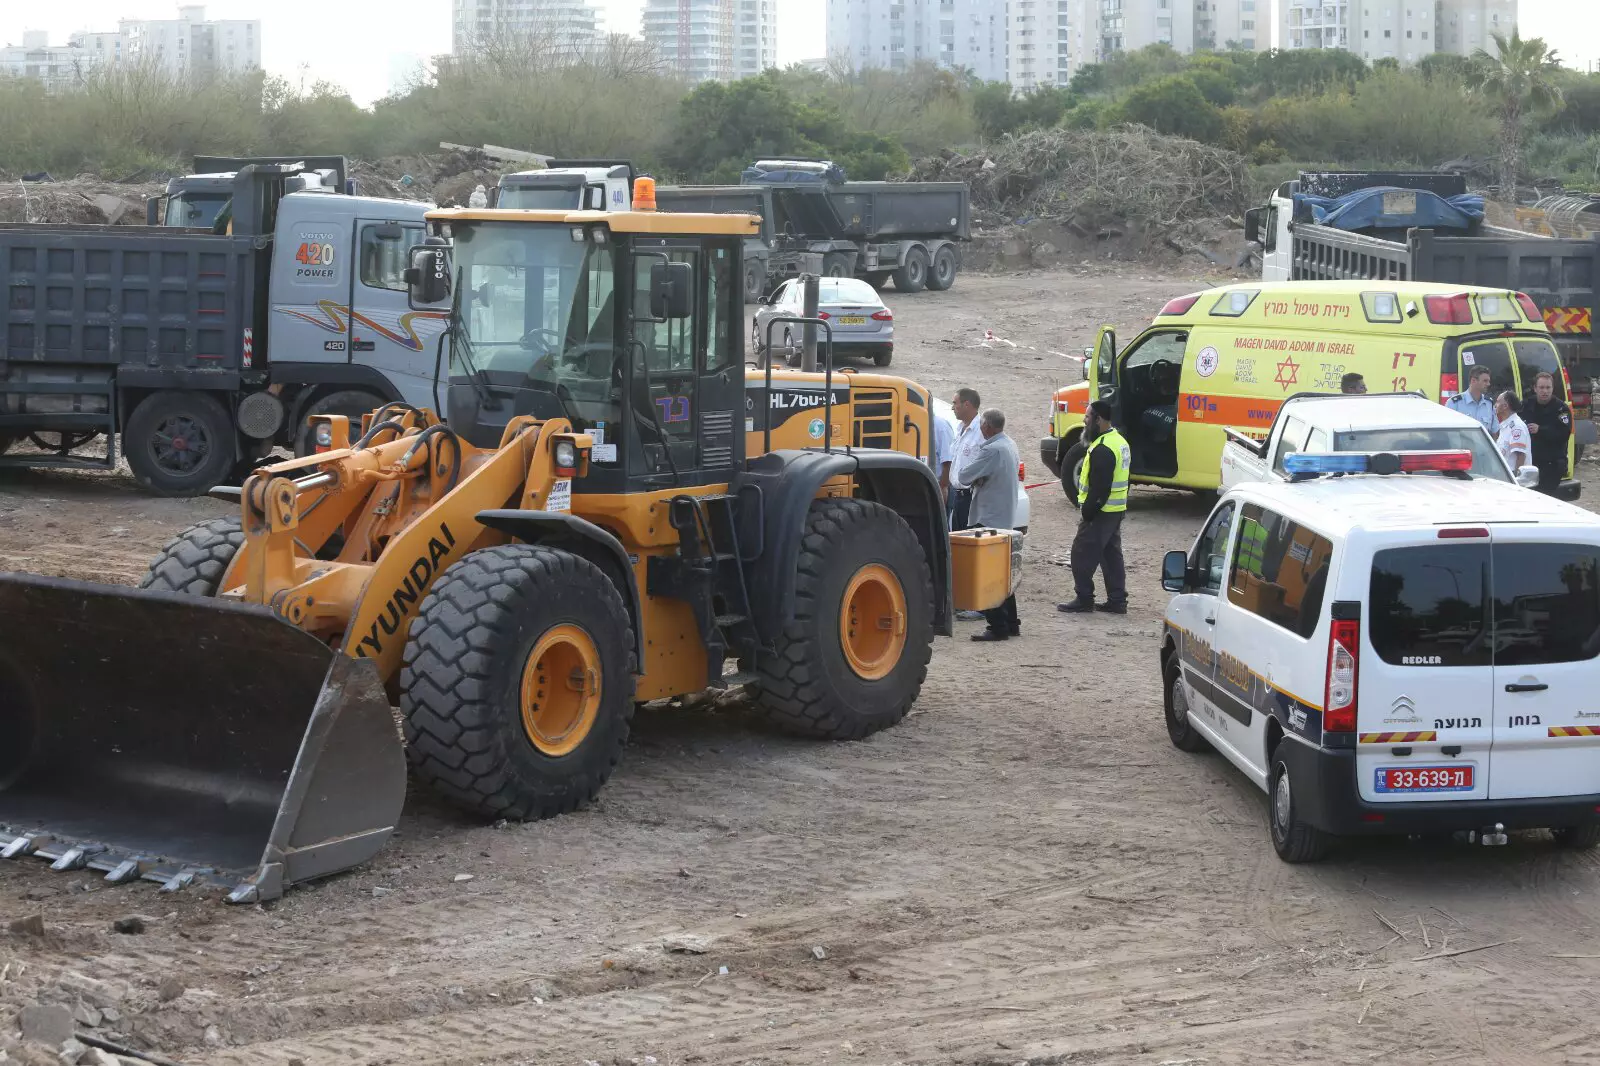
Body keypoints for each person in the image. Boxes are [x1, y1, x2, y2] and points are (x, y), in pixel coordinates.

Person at [1059, 399, 1130, 615]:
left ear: (1098, 420)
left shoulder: (1103, 449)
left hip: (1102, 513)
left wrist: (1088, 512)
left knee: (1080, 554)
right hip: (1115, 510)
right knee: (1111, 556)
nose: (1084, 420)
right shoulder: (1119, 441)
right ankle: (1117, 600)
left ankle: (1084, 598)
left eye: (1088, 416)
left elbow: (1100, 489)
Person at [957, 408, 1021, 641]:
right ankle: (1011, 622)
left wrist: (977, 477)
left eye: (983, 424)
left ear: (988, 427)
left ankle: (997, 626)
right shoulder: (1009, 444)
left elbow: (964, 476)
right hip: (1003, 516)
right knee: (1002, 574)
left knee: (988, 576)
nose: (981, 428)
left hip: (988, 518)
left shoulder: (992, 450)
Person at [1523, 370, 1572, 495]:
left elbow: (1564, 433)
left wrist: (1540, 430)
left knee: (1545, 498)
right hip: (1532, 463)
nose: (1545, 391)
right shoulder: (1528, 404)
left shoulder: (1561, 408)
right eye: (1541, 387)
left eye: (1548, 387)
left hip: (1552, 464)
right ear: (1535, 388)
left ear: (1552, 388)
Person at [948, 388, 984, 531]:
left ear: (967, 404)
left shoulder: (982, 431)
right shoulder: (960, 428)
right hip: (956, 495)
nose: (952, 407)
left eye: (955, 403)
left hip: (971, 498)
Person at [1446, 365, 1499, 437]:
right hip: (1462, 447)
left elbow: (1495, 432)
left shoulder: (1489, 404)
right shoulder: (1454, 403)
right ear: (1473, 381)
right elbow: (1447, 433)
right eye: (1485, 381)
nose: (1488, 384)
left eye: (1488, 381)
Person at [1495, 390, 1531, 478]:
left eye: (1498, 402)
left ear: (1505, 406)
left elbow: (1520, 456)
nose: (1495, 405)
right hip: (1504, 475)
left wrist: (1515, 480)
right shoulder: (1506, 425)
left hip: (1512, 477)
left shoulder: (1516, 427)